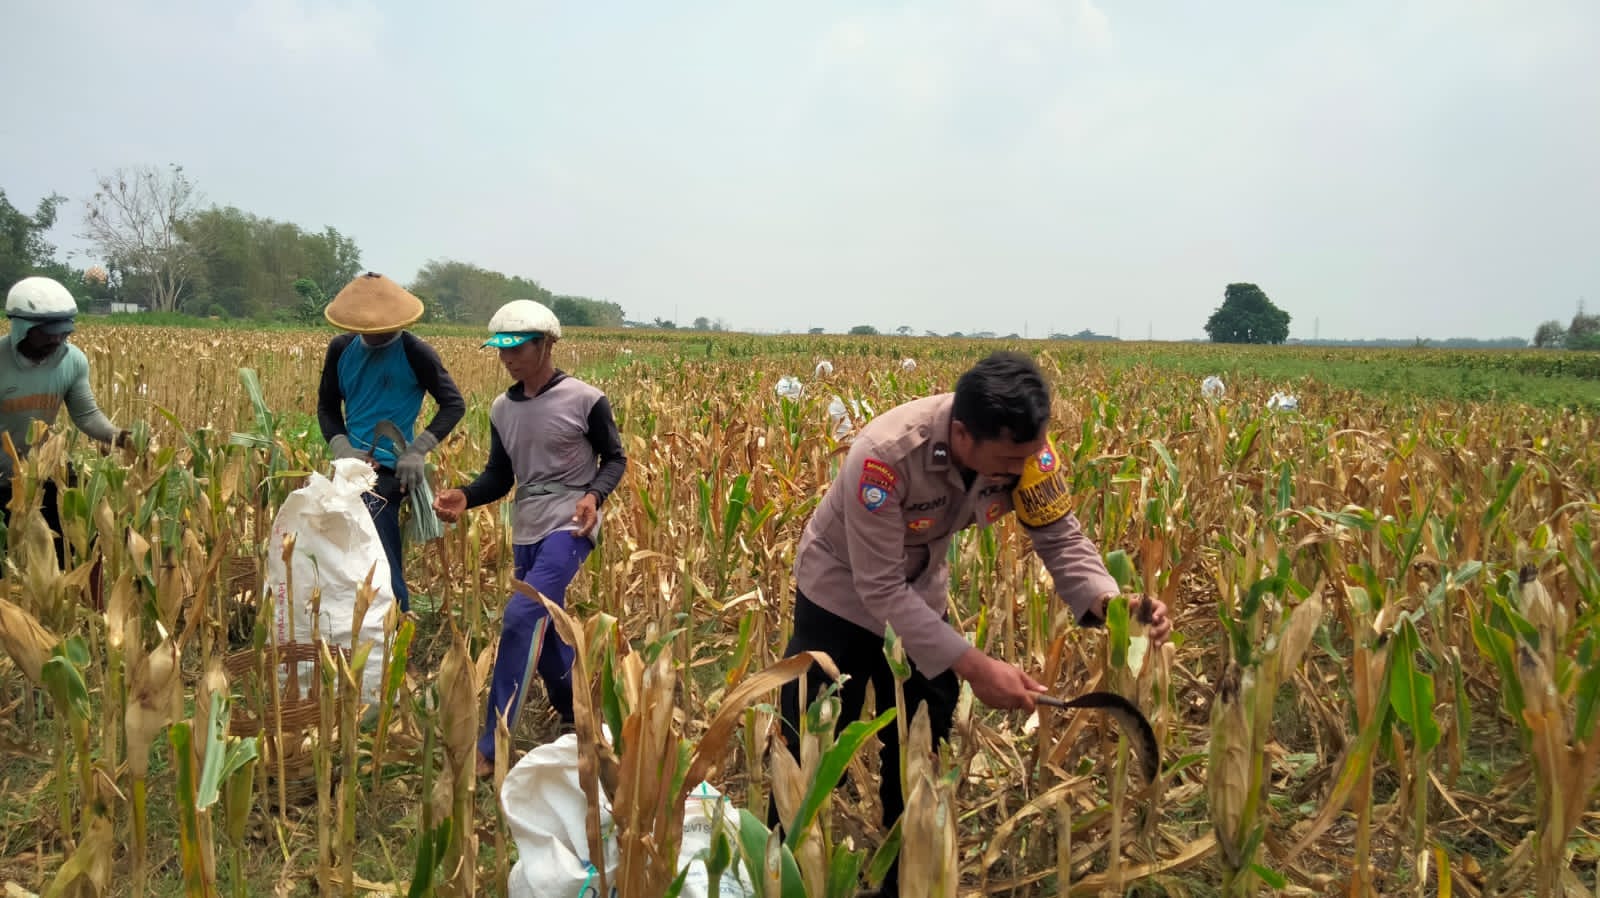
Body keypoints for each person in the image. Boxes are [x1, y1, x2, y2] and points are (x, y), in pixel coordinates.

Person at [775, 350, 1173, 897]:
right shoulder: (884, 457)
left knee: (921, 737)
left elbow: (1058, 534)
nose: (1020, 472)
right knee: (811, 739)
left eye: (1027, 458)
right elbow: (878, 587)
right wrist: (976, 665)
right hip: (841, 594)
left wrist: (1110, 605)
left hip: (918, 590)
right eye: (1008, 465)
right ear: (962, 434)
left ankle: (904, 880)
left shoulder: (1025, 449)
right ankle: (780, 872)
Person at [431, 299, 627, 777]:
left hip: (572, 524)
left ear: (548, 344)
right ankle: (576, 710)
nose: (507, 358)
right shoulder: (502, 408)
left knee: (522, 614)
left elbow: (615, 459)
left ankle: (492, 744)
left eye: (517, 348)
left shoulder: (585, 399)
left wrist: (594, 497)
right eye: (501, 350)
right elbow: (501, 476)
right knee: (544, 629)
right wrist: (467, 495)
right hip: (527, 525)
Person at [317, 272, 464, 614]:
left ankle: (397, 614)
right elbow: (327, 406)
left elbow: (453, 403)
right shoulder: (341, 349)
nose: (373, 331)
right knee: (346, 545)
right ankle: (354, 619)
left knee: (379, 540)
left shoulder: (415, 352)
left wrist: (418, 450)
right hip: (351, 466)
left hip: (392, 468)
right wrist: (342, 447)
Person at [1, 276, 129, 563]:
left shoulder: (73, 361)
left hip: (43, 469)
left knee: (81, 542)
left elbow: (86, 414)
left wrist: (118, 436)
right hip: (2, 477)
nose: (57, 339)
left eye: (63, 332)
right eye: (47, 333)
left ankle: (85, 604)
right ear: (23, 327)